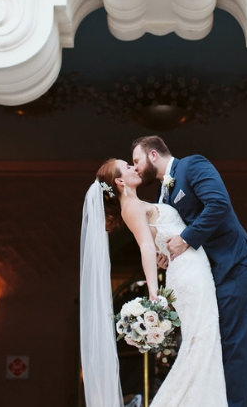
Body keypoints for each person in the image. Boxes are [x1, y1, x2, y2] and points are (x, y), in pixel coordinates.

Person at [131, 136, 247, 407]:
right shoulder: (161, 195)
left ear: (153, 154)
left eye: (136, 160)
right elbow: (175, 235)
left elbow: (218, 204)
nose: (135, 168)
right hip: (207, 274)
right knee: (212, 344)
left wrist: (186, 238)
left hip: (234, 265)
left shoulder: (193, 165)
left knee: (233, 345)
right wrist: (168, 255)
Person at [84, 158, 227, 407]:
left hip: (188, 268)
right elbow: (146, 247)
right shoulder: (130, 207)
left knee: (203, 340)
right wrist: (153, 291)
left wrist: (163, 251)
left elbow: (156, 241)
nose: (134, 168)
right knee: (202, 340)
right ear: (119, 181)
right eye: (127, 167)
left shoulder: (137, 204)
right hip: (189, 273)